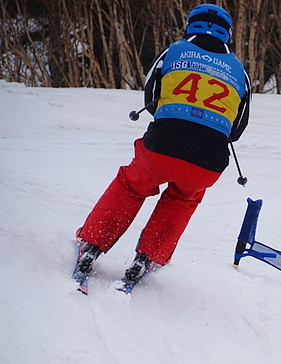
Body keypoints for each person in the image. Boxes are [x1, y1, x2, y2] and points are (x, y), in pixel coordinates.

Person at [73, 3, 251, 291]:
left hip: (162, 146)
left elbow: (151, 97)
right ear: (227, 34)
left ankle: (93, 242)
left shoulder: (174, 51)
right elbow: (238, 126)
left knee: (133, 184)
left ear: (189, 25)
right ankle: (150, 257)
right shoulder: (239, 71)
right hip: (208, 161)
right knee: (185, 196)